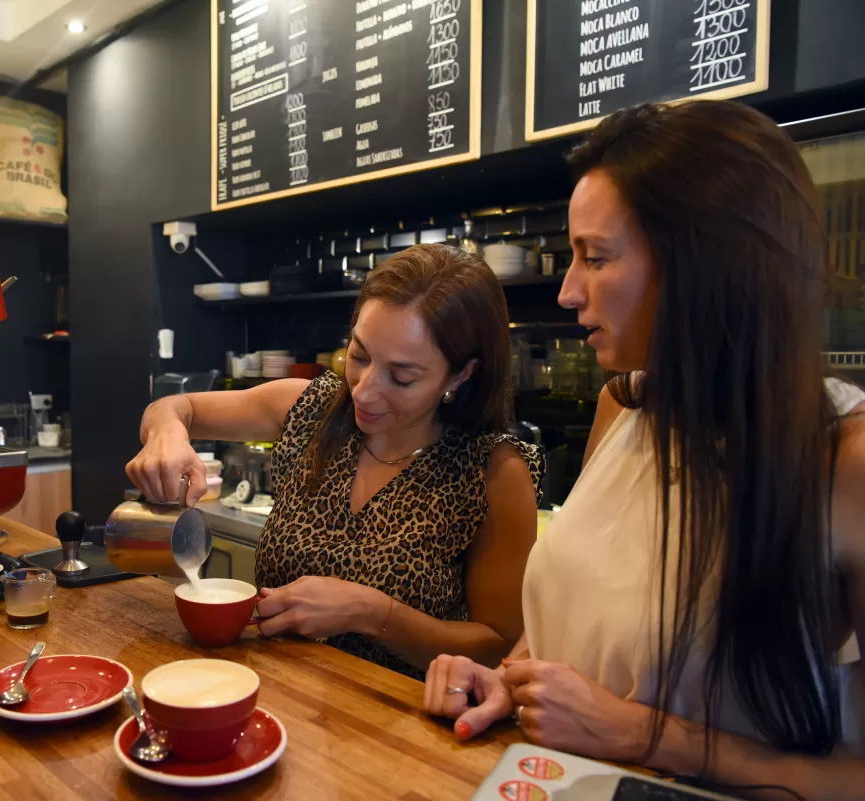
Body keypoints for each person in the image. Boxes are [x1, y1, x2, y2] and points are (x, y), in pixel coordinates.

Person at [423, 101, 865, 798]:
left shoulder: (843, 460)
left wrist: (641, 732)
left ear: (708, 266)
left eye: (595, 257)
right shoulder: (623, 407)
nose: (569, 290)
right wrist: (513, 678)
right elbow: (586, 617)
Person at [127, 245, 543, 677]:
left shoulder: (492, 471)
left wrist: (373, 613)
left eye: (401, 377)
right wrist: (167, 434)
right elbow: (176, 408)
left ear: (461, 374)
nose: (363, 391)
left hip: (392, 724)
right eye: (359, 356)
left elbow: (499, 649)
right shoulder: (312, 407)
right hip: (276, 693)